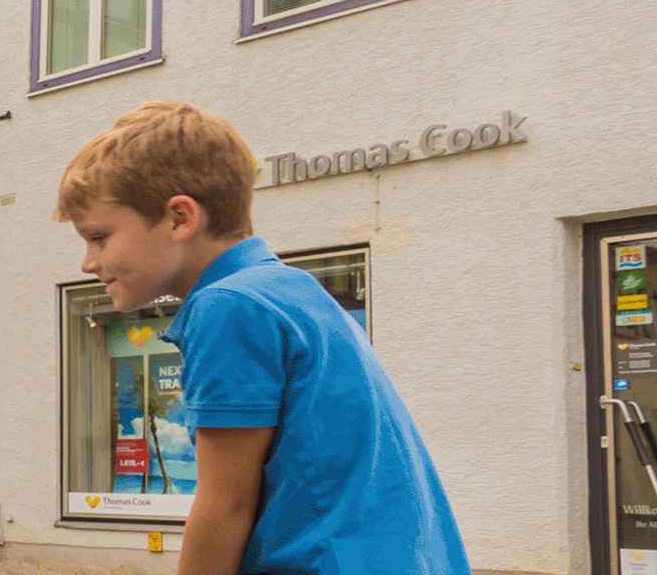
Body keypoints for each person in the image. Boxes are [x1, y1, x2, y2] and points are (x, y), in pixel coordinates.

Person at [60, 102, 469, 575]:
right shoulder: (288, 290)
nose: (88, 262)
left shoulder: (229, 306)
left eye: (99, 237)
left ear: (179, 219)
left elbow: (225, 508)